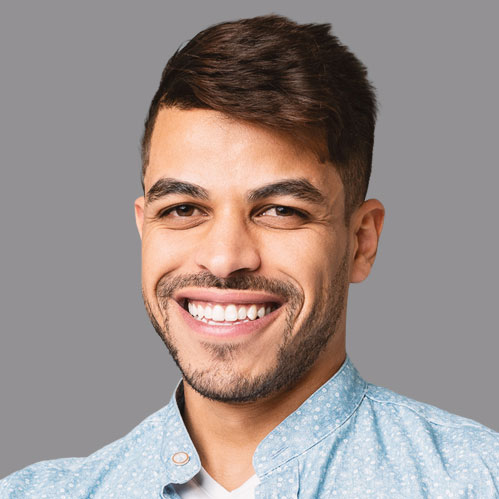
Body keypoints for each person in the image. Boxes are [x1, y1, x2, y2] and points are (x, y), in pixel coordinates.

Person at [1, 14, 498, 499]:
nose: (223, 259)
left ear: (361, 242)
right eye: (183, 209)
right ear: (143, 226)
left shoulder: (479, 481)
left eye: (280, 210)